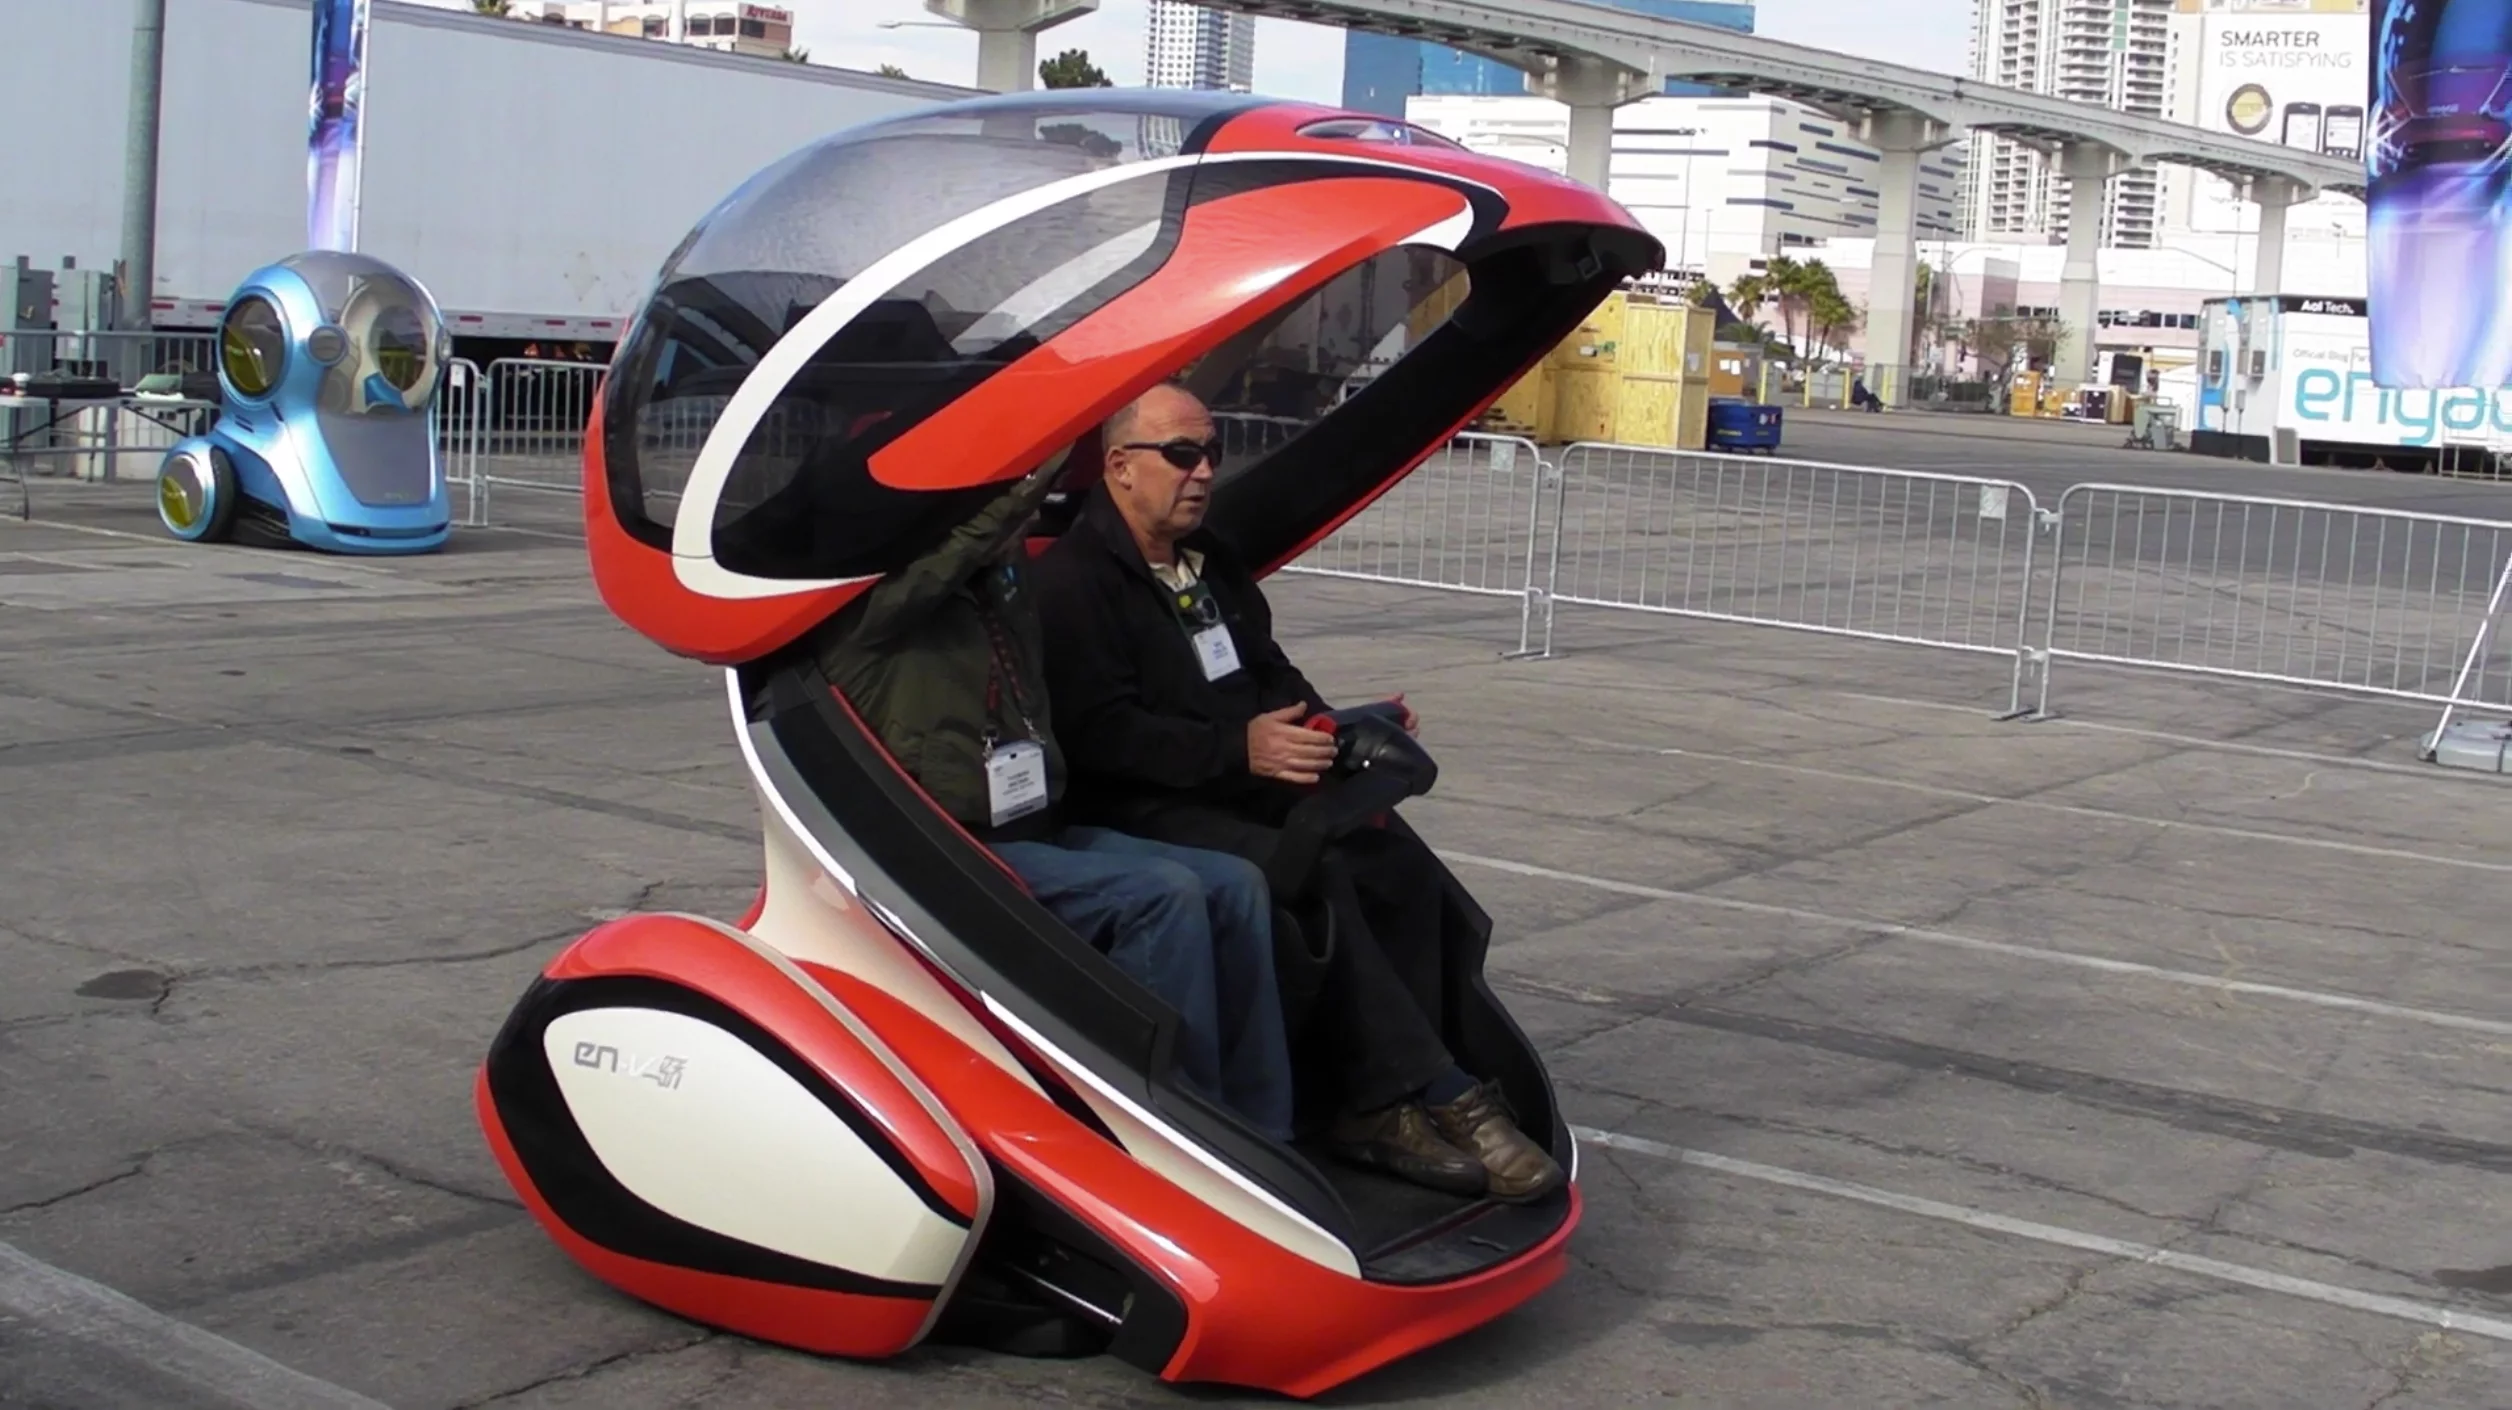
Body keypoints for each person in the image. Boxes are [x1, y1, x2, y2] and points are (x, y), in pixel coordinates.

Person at [1031, 384, 1565, 1204]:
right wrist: (1238, 750)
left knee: (1391, 858)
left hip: (1242, 784)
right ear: (1120, 466)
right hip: (1143, 803)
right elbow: (1099, 737)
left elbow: (1271, 672)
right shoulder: (1072, 582)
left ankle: (1402, 1088)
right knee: (1310, 864)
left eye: (1212, 454)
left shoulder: (1210, 562)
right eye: (1182, 455)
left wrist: (1333, 725)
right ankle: (1427, 1092)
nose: (1204, 472)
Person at [809, 453, 1295, 1143]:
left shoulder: (999, 589)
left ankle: (1265, 1128)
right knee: (1164, 896)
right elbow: (957, 549)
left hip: (1037, 825)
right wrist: (1038, 457)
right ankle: (1177, 1126)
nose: (1020, 526)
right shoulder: (875, 609)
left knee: (1236, 884)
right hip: (954, 847)